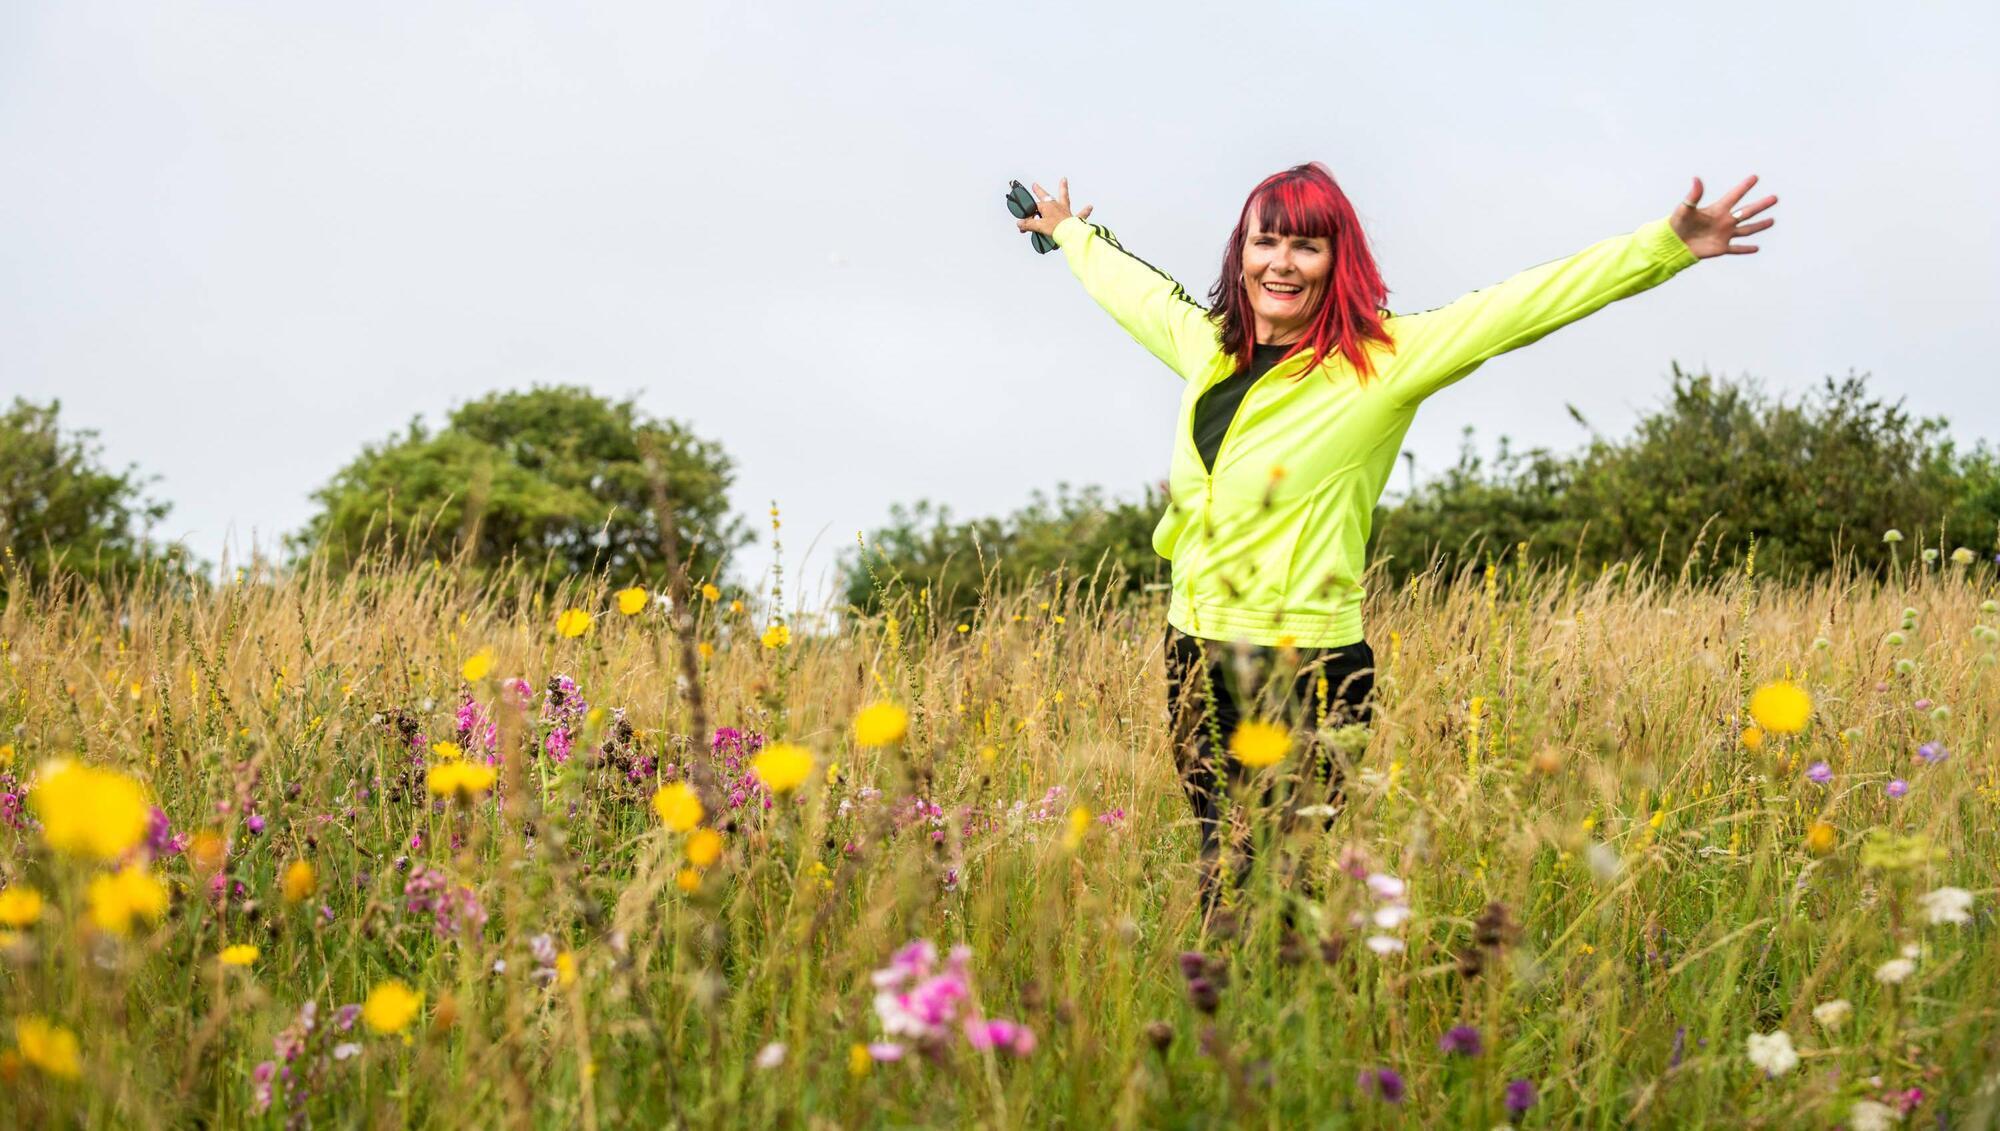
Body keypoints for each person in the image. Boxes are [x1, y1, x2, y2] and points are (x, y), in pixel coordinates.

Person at [1014, 162, 1778, 917]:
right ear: (1241, 254)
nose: (1282, 263)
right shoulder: (1208, 349)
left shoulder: (1379, 363)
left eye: (1306, 246)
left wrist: (1665, 246)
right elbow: (1134, 291)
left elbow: (1519, 306)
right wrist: (1069, 233)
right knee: (1229, 869)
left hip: (1306, 665)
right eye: (1266, 242)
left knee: (1267, 883)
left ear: (1336, 260)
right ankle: (1271, 988)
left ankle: (1286, 984)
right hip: (1193, 650)